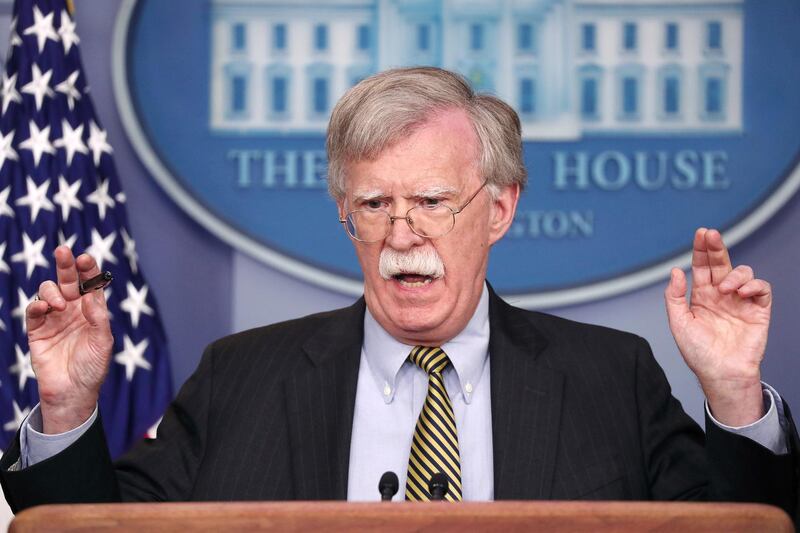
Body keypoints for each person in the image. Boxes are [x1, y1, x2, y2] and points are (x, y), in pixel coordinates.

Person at [1, 67, 797, 517]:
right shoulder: (239, 377)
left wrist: (731, 394)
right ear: (345, 214)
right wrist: (68, 410)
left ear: (499, 208)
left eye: (431, 201)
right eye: (374, 204)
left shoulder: (610, 377)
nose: (401, 232)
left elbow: (739, 529)